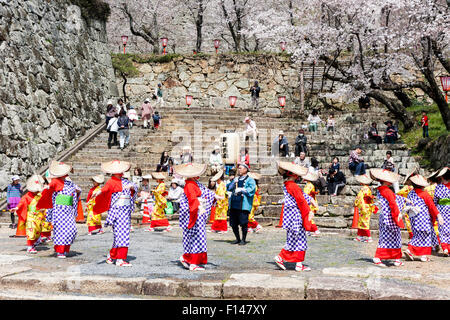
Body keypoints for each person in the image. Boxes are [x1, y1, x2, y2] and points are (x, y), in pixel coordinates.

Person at [92, 160, 137, 267]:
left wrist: (131, 188)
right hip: (117, 211)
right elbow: (104, 190)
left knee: (120, 235)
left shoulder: (125, 181)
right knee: (122, 235)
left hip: (125, 211)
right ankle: (120, 259)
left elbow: (134, 188)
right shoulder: (111, 182)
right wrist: (98, 192)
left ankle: (112, 256)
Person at [36, 161, 81, 259]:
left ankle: (65, 249)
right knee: (61, 231)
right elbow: (49, 188)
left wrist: (77, 191)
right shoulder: (55, 181)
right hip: (59, 210)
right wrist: (45, 188)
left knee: (72, 230)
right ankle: (60, 251)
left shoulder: (70, 182)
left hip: (68, 210)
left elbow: (78, 189)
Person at [274, 161, 313, 272]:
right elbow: (300, 200)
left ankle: (298, 264)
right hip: (296, 216)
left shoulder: (288, 185)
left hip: (290, 216)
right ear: (294, 175)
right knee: (299, 239)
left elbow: (301, 195)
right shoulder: (293, 186)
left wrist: (310, 200)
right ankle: (281, 257)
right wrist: (308, 211)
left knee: (293, 239)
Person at [176, 163, 215, 271]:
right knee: (196, 237)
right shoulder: (189, 184)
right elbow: (192, 198)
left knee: (198, 237)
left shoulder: (196, 183)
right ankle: (193, 262)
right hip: (194, 213)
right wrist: (199, 207)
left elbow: (207, 192)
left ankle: (189, 259)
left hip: (198, 212)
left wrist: (215, 196)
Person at [403, 172, 444, 262]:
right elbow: (431, 206)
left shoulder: (410, 194)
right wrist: (438, 215)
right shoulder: (424, 194)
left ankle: (423, 255)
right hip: (423, 218)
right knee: (424, 235)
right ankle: (410, 250)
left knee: (420, 235)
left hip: (413, 218)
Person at [369, 168, 406, 267]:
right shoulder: (386, 191)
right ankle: (378, 257)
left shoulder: (381, 190)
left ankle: (397, 258)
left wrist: (405, 199)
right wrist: (398, 214)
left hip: (385, 216)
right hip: (389, 217)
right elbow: (393, 203)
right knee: (388, 238)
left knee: (391, 237)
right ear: (385, 180)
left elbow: (395, 198)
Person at [13, 175, 44, 253]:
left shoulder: (40, 195)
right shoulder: (27, 195)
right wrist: (16, 208)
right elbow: (22, 202)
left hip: (39, 215)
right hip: (31, 215)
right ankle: (29, 247)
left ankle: (33, 243)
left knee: (38, 230)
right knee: (31, 230)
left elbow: (44, 203)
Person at [226, 163, 256, 245]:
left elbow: (252, 189)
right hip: (234, 203)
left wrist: (242, 189)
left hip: (243, 205)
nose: (239, 170)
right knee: (233, 223)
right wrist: (233, 182)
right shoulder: (236, 179)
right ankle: (237, 238)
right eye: (238, 168)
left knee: (243, 223)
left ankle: (243, 239)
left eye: (240, 168)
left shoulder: (250, 180)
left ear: (245, 169)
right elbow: (228, 188)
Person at [352, 174, 377, 243]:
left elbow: (360, 198)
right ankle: (360, 236)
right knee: (361, 222)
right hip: (367, 206)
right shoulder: (367, 188)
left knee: (364, 222)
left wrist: (356, 203)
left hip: (364, 207)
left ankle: (369, 237)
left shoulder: (364, 189)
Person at [433, 167, 450, 256]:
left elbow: (435, 200)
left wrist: (435, 211)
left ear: (442, 177)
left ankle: (445, 249)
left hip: (441, 209)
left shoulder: (439, 187)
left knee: (442, 228)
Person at [302, 172, 321, 236]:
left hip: (309, 203)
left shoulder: (309, 185)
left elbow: (305, 195)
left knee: (308, 217)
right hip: (310, 202)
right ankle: (311, 230)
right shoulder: (309, 184)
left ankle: (311, 230)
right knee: (308, 217)